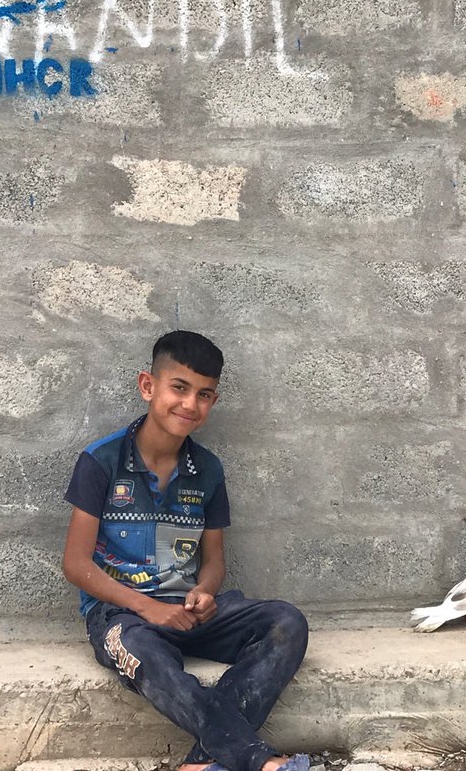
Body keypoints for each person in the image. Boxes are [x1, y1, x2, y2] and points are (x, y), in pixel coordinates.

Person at [62, 330, 310, 771]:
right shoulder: (101, 461)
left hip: (189, 611)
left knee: (286, 621)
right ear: (148, 386)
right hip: (122, 617)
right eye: (179, 388)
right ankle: (257, 760)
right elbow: (76, 565)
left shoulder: (208, 470)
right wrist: (146, 608)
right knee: (144, 650)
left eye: (204, 394)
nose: (190, 405)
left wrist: (207, 591)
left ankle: (202, 763)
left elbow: (213, 561)